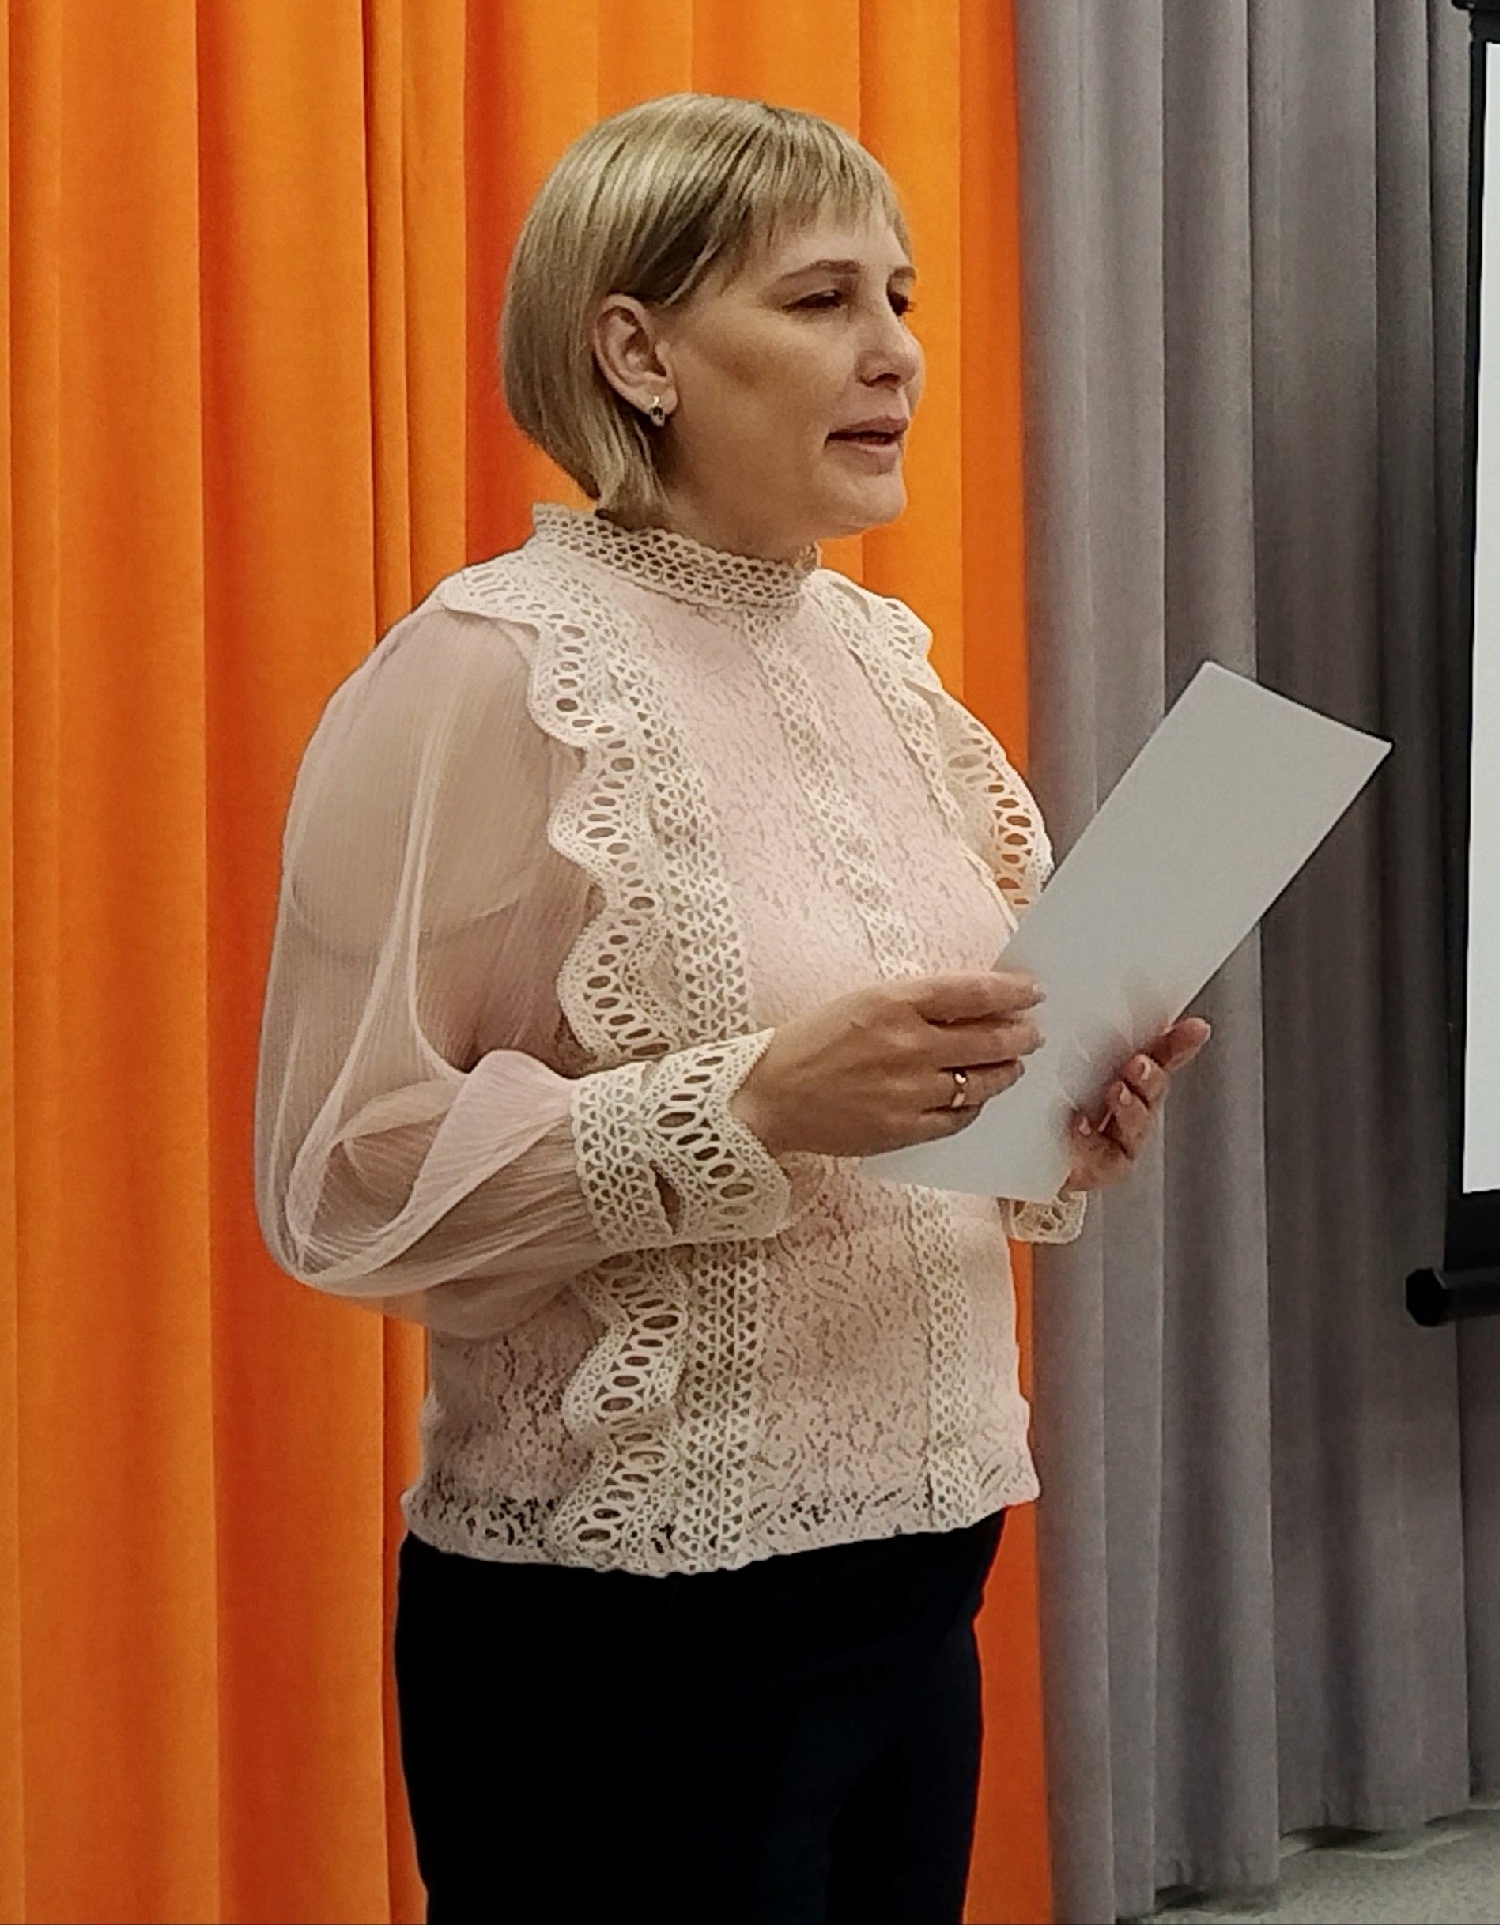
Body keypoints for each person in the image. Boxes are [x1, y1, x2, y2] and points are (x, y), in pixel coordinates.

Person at [253, 94, 1208, 1924]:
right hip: (631, 1643)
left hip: (920, 1579)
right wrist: (746, 1104)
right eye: (823, 298)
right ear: (638, 352)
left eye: (902, 297)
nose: (895, 351)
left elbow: (910, 1103)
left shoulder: (882, 663)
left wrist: (1052, 1112)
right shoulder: (485, 670)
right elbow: (344, 1177)